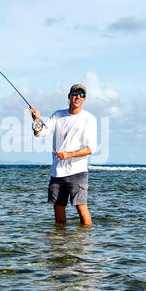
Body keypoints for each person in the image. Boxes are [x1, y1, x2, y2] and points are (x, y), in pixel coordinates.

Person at [30, 83, 96, 226]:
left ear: (84, 99)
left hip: (77, 171)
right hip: (57, 172)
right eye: (75, 94)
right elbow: (39, 133)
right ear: (69, 96)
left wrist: (69, 155)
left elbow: (90, 148)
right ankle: (59, 243)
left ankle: (86, 244)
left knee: (81, 208)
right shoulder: (58, 115)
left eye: (81, 95)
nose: (78, 97)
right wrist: (36, 120)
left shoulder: (88, 118)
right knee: (58, 210)